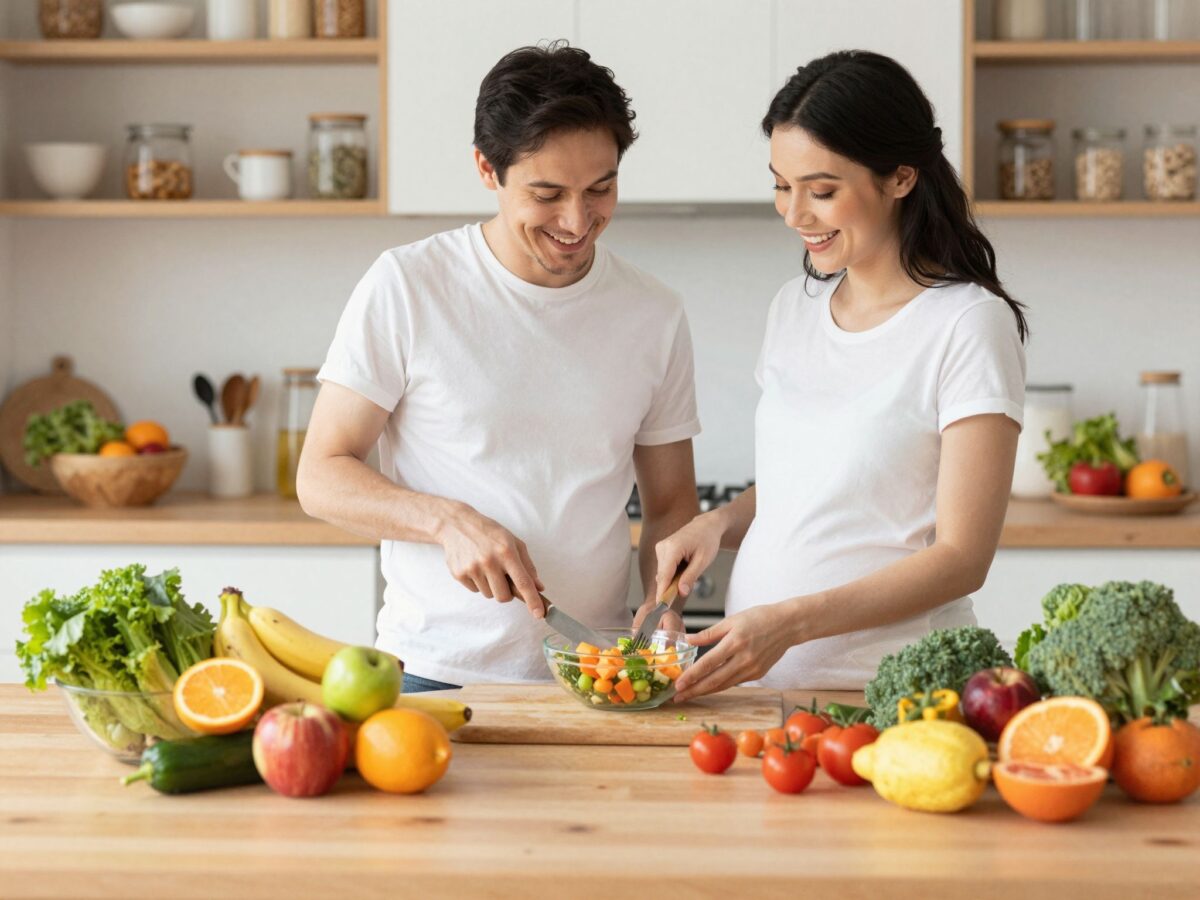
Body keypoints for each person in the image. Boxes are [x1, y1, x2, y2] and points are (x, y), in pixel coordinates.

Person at [298, 43, 700, 692]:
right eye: (548, 194)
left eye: (601, 188)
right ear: (488, 169)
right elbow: (320, 476)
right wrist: (446, 521)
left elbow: (673, 501)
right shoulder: (408, 285)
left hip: (595, 675)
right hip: (434, 672)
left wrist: (662, 613)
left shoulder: (653, 312)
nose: (578, 221)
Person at [655, 50, 1028, 702]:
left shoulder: (967, 323)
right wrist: (719, 523)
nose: (794, 214)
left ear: (901, 178)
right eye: (781, 184)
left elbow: (962, 558)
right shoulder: (792, 309)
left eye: (821, 191)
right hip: (759, 697)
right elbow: (804, 488)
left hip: (890, 698)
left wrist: (791, 622)